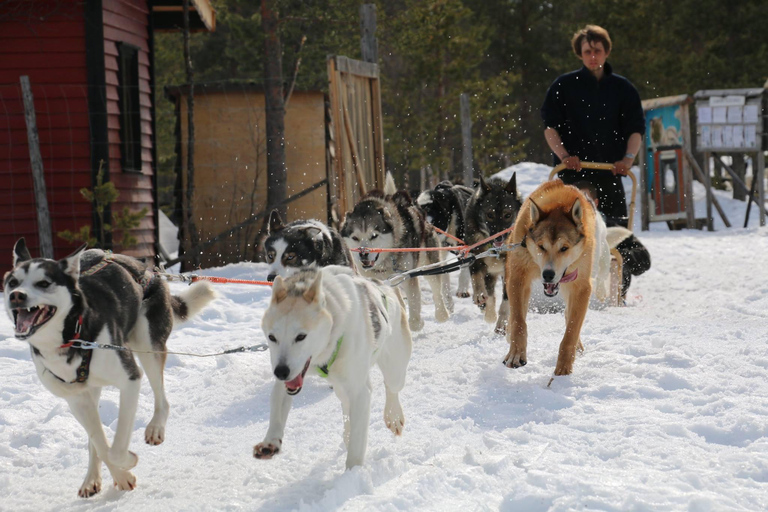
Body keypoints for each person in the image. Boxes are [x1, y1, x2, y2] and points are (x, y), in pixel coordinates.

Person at [541, 24, 645, 226]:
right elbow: (550, 128)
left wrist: (628, 159)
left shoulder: (623, 89)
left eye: (597, 51)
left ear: (607, 51)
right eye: (588, 51)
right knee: (569, 233)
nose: (593, 56)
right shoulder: (563, 86)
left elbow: (636, 129)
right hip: (572, 175)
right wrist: (564, 156)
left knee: (616, 236)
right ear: (580, 54)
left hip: (610, 173)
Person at [574, 180, 650, 302]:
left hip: (609, 296)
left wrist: (618, 257)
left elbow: (644, 259)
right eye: (577, 202)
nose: (581, 206)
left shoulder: (611, 227)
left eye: (586, 201)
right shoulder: (561, 230)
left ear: (595, 203)